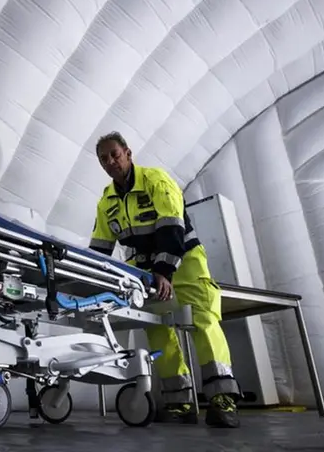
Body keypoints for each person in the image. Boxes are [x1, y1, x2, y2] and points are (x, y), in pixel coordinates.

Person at [88, 131, 241, 428]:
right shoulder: (106, 202)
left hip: (184, 263)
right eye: (103, 159)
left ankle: (223, 399)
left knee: (202, 321)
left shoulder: (155, 180)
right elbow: (100, 249)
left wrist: (165, 271)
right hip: (143, 272)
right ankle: (179, 402)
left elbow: (172, 226)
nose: (110, 162)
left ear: (128, 153)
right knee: (157, 330)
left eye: (114, 155)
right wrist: (92, 281)